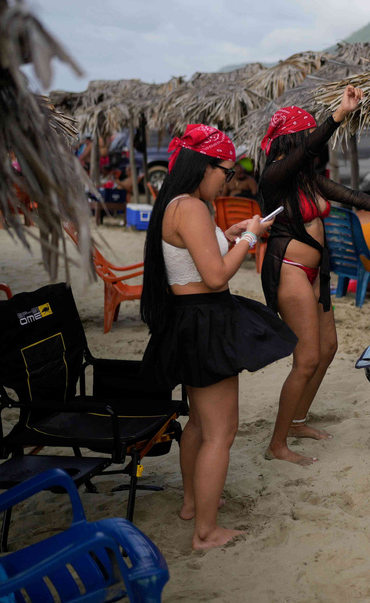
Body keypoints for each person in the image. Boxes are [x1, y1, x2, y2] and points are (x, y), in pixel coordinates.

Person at [257, 86, 370, 465]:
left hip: (314, 272)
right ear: (291, 142)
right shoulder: (273, 178)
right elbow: (310, 147)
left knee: (327, 350)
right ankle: (277, 443)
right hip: (289, 269)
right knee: (306, 358)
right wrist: (338, 116)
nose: (311, 145)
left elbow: (355, 197)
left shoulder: (308, 180)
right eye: (303, 138)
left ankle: (297, 421)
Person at [139, 124, 296, 550]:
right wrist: (249, 237)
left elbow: (192, 259)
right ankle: (206, 532)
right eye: (225, 171)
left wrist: (223, 237)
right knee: (221, 433)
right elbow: (215, 276)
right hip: (205, 319)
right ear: (202, 165)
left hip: (188, 320)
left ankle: (193, 505)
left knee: (199, 426)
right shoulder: (191, 207)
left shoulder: (176, 203)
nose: (227, 179)